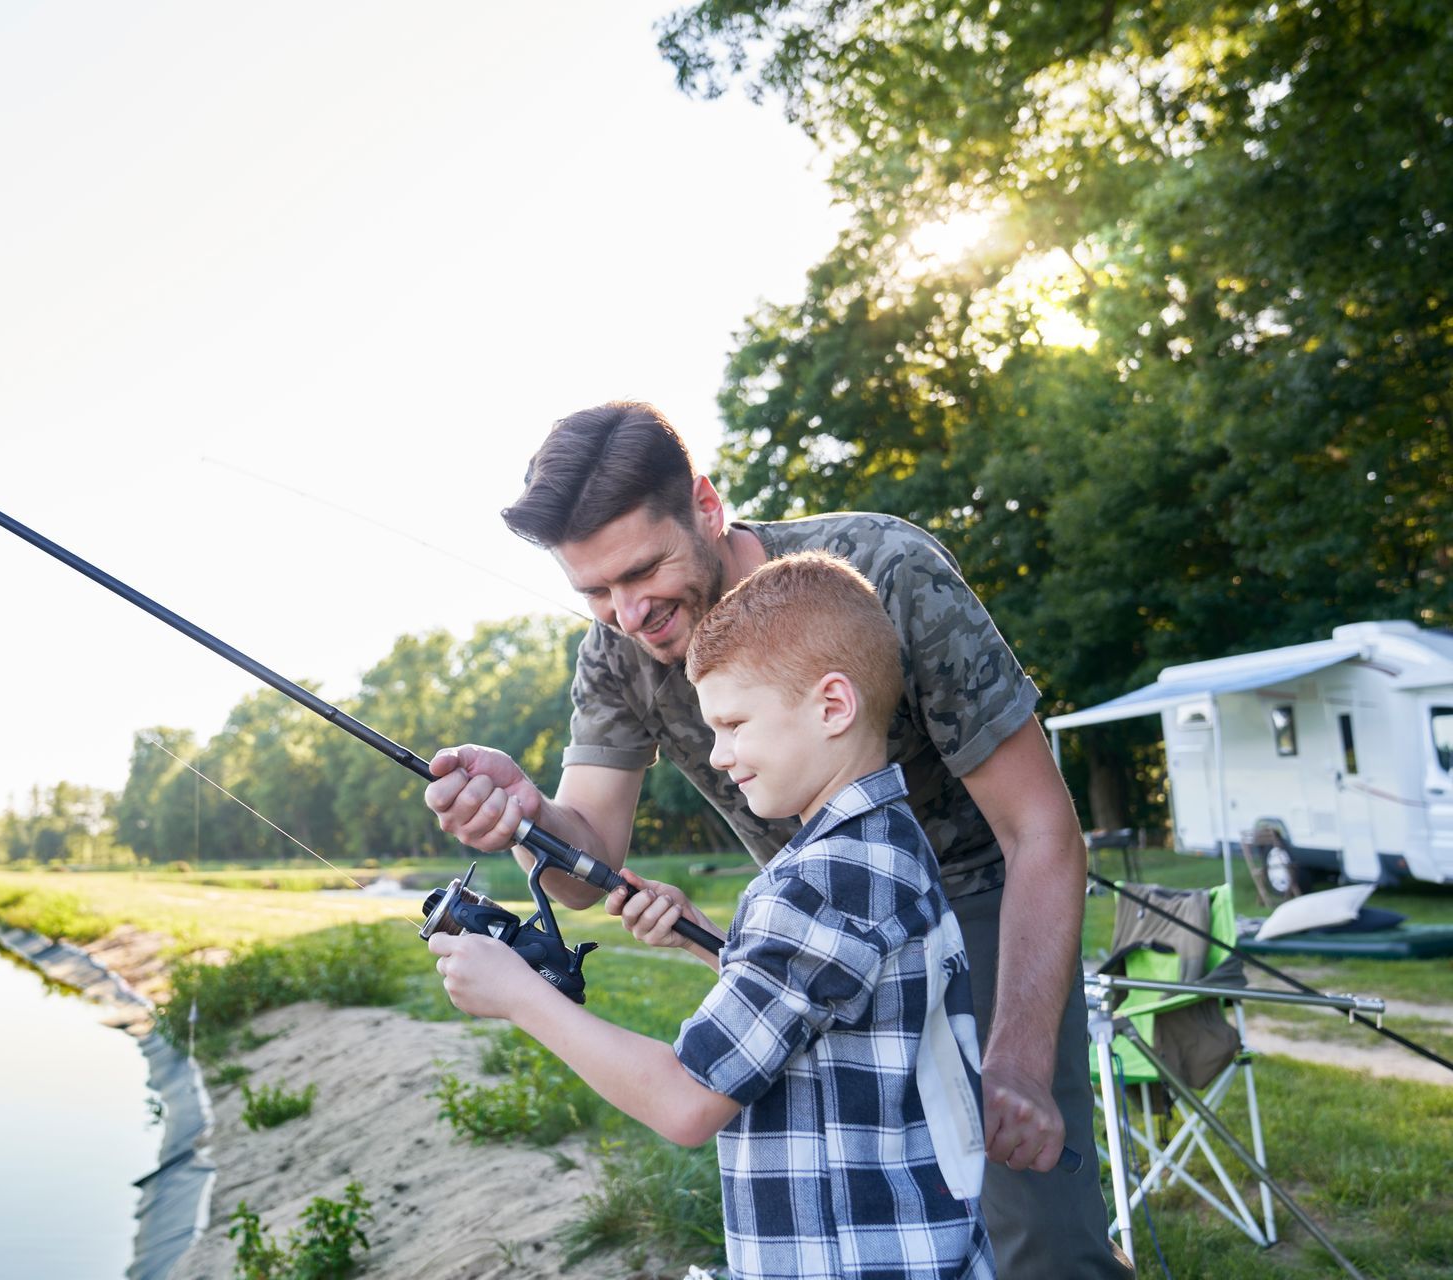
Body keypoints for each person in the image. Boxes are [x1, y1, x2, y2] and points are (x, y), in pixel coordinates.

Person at [424, 402, 1126, 1277]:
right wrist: (521, 814)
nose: (629, 614)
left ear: (707, 507)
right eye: (595, 591)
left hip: (978, 902)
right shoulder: (615, 652)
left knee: (1036, 1234)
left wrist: (1016, 1058)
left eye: (643, 570)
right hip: (808, 922)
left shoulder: (886, 570)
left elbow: (1041, 827)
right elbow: (582, 862)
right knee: (870, 1199)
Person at [431, 552, 995, 1280]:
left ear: (832, 706)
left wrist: (521, 996)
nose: (719, 755)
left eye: (733, 724)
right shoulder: (887, 842)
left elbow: (686, 1101)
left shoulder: (819, 881)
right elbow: (835, 1009)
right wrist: (718, 946)